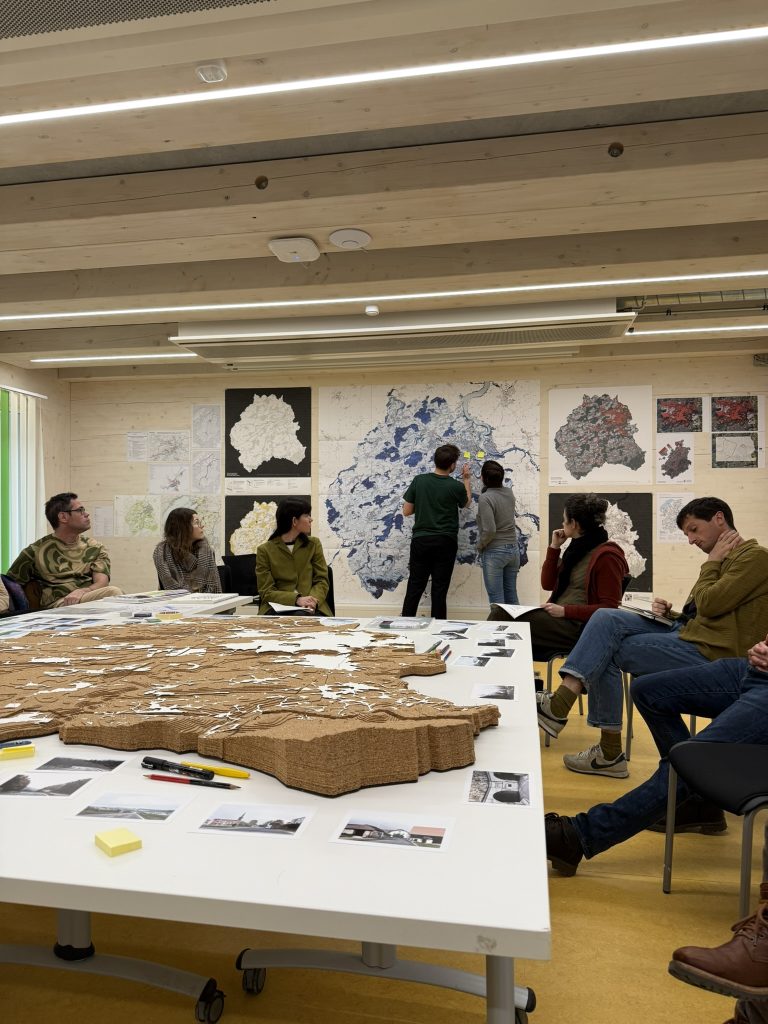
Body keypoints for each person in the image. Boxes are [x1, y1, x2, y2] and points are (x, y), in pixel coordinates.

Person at [536, 497, 768, 778]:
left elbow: (710, 604)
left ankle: (599, 742)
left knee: (605, 647)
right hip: (688, 632)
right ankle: (582, 727)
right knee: (605, 619)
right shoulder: (728, 559)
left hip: (713, 653)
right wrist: (673, 613)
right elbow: (706, 611)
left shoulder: (754, 557)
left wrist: (712, 563)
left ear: (719, 519)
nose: (691, 540)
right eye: (687, 534)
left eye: (694, 529)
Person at [544, 631, 768, 876]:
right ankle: (694, 797)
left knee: (693, 757)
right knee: (647, 691)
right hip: (753, 670)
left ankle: (580, 835)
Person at [491, 493, 628, 661]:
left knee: (500, 615)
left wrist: (565, 611)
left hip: (579, 627)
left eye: (564, 520)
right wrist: (554, 547)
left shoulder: (607, 556)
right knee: (503, 624)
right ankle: (503, 672)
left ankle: (489, 670)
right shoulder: (577, 550)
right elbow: (547, 584)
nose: (562, 524)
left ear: (574, 523)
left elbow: (609, 609)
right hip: (561, 620)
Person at [7, 492, 122, 608]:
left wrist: (82, 591)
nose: (86, 514)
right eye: (80, 510)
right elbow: (9, 584)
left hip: (88, 598)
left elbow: (102, 582)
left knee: (118, 596)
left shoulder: (95, 547)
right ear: (63, 517)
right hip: (58, 605)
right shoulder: (35, 551)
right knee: (113, 593)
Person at [401, 443, 471, 619]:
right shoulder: (455, 486)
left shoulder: (419, 480)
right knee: (439, 589)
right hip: (445, 542)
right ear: (452, 465)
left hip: (421, 540)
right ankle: (438, 627)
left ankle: (405, 625)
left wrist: (425, 505)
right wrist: (466, 480)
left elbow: (407, 511)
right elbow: (466, 503)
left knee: (415, 586)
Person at [255, 498, 331, 616]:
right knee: (297, 618)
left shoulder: (314, 544)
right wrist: (296, 599)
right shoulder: (264, 550)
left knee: (303, 617)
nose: (311, 519)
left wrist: (312, 601)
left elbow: (322, 580)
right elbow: (266, 591)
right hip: (276, 608)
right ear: (294, 521)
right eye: (306, 515)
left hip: (312, 607)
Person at [476, 459, 519, 607]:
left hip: (495, 551)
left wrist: (480, 546)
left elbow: (490, 530)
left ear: (483, 478)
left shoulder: (485, 498)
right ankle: (518, 623)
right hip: (513, 550)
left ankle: (500, 624)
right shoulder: (509, 492)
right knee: (511, 597)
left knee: (497, 601)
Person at [153, 508, 221, 594]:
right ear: (183, 527)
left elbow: (213, 588)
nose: (202, 526)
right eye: (196, 523)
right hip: (174, 600)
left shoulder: (206, 550)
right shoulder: (161, 552)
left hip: (208, 599)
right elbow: (169, 586)